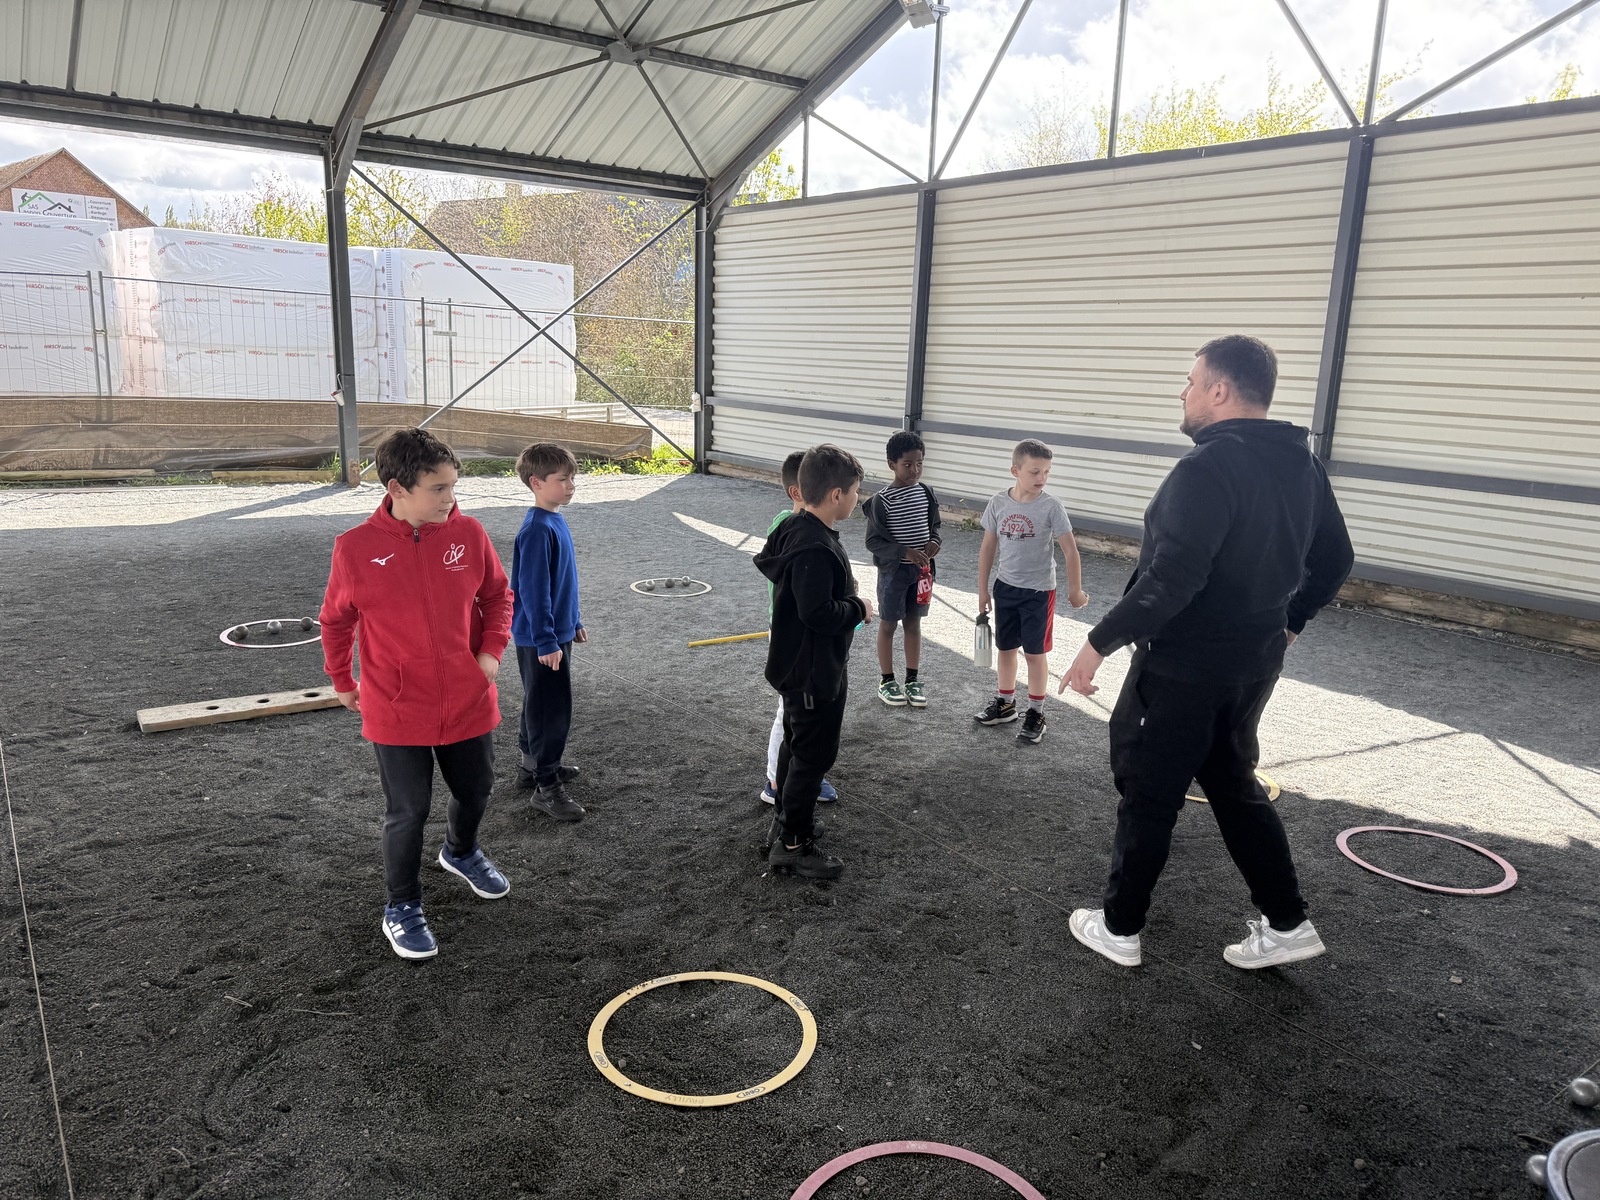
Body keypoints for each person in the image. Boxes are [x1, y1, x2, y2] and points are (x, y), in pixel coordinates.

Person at [1060, 334, 1353, 971]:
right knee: (1230, 781)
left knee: (1148, 787)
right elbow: (1337, 558)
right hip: (1254, 662)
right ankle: (1288, 922)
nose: (1184, 393)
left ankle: (1119, 928)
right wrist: (1292, 620)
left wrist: (1096, 643)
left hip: (1184, 667)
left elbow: (1173, 579)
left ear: (1219, 391)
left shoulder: (1206, 468)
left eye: (1191, 383)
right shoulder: (1301, 465)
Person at [319, 427, 514, 961]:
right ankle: (401, 905)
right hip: (395, 704)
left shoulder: (469, 534)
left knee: (476, 790)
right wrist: (342, 681)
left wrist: (490, 656)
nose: (451, 499)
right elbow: (336, 622)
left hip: (469, 696)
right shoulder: (354, 550)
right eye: (439, 489)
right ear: (397, 488)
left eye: (453, 486)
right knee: (409, 809)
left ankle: (461, 851)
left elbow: (499, 597)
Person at [754, 444, 874, 880]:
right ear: (837, 494)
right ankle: (793, 844)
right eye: (857, 492)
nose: (858, 500)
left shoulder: (795, 527)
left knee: (796, 746)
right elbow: (817, 613)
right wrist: (859, 607)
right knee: (813, 754)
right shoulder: (813, 546)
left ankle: (787, 822)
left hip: (802, 665)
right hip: (811, 671)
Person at [974, 439, 1089, 745]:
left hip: (1038, 592)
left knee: (1035, 654)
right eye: (1035, 471)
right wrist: (983, 590)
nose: (1042, 478)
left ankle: (1036, 711)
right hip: (1005, 588)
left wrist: (1075, 590)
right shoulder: (998, 503)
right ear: (1016, 470)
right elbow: (988, 547)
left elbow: (1070, 550)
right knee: (1006, 649)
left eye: (1047, 472)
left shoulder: (1051, 506)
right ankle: (1006, 703)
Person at [511, 442, 587, 823]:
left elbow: (563, 583)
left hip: (555, 634)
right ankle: (546, 786)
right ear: (537, 482)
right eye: (563, 479)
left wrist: (573, 622)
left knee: (538, 703)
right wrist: (546, 639)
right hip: (542, 639)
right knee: (550, 710)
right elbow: (533, 589)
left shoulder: (554, 518)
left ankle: (531, 768)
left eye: (572, 477)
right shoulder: (537, 530)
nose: (571, 485)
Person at [760, 450, 840, 808]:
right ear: (798, 492)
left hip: (796, 640)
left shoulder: (804, 532)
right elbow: (816, 610)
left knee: (796, 721)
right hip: (796, 642)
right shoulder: (802, 537)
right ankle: (777, 784)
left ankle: (789, 788)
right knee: (791, 717)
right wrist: (855, 607)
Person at [863, 430, 942, 708]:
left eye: (919, 463)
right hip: (894, 574)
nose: (915, 470)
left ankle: (912, 679)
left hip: (921, 575)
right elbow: (873, 541)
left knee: (913, 623)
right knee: (888, 624)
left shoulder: (926, 493)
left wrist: (934, 542)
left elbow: (935, 527)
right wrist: (903, 552)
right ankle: (887, 681)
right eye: (907, 464)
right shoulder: (881, 502)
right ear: (891, 464)